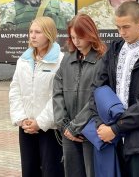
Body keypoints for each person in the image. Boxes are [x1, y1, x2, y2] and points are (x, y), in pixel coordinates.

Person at [89, 1, 139, 177]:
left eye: (126, 27)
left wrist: (116, 128)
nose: (121, 32)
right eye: (118, 27)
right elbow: (97, 89)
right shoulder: (113, 51)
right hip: (112, 139)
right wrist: (100, 124)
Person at [9, 16, 64, 177]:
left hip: (50, 128)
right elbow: (15, 90)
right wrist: (21, 118)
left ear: (49, 34)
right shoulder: (23, 60)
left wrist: (40, 122)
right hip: (26, 127)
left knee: (51, 171)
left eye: (38, 32)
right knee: (29, 171)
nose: (32, 36)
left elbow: (58, 96)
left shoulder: (60, 61)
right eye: (31, 31)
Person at [53, 14, 107, 177]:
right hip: (68, 131)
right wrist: (64, 125)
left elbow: (98, 97)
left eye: (80, 36)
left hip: (90, 129)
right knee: (72, 172)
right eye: (73, 37)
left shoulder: (102, 60)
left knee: (92, 172)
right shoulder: (67, 59)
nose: (76, 41)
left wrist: (76, 126)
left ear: (90, 34)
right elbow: (57, 91)